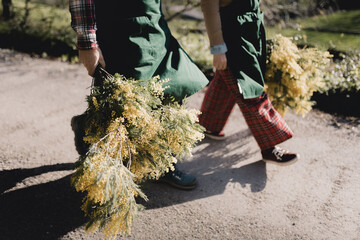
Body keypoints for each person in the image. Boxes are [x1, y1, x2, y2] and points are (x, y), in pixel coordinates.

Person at [69, 0, 209, 189]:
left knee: (173, 86)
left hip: (154, 25)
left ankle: (161, 164)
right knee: (124, 103)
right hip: (118, 28)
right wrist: (87, 43)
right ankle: (87, 127)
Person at [198, 0, 299, 165]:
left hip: (251, 27)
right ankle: (269, 148)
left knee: (227, 79)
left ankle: (209, 125)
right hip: (233, 32)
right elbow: (209, 7)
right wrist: (218, 48)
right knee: (248, 87)